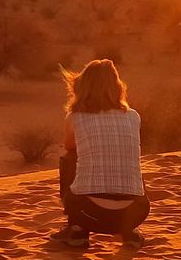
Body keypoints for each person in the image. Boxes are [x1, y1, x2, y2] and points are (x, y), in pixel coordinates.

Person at [50, 59, 149, 248]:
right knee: (128, 158)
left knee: (70, 157)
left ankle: (77, 228)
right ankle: (129, 232)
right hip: (136, 213)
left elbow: (70, 146)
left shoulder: (75, 117)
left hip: (87, 212)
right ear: (117, 87)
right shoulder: (133, 116)